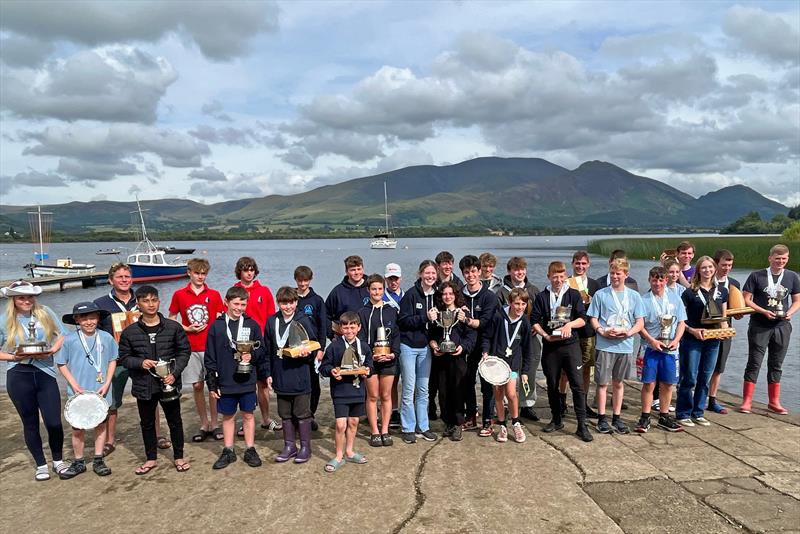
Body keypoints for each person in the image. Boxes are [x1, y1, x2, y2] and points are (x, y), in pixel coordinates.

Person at [0, 280, 69, 481]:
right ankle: (41, 464)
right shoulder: (4, 320)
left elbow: (63, 335)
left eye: (30, 296)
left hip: (45, 372)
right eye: (21, 297)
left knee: (54, 421)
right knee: (30, 423)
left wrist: (53, 350)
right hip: (18, 374)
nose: (27, 300)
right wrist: (14, 356)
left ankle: (58, 461)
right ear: (13, 299)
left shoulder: (45, 312)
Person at [119, 285, 191, 474]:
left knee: (175, 420)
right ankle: (151, 458)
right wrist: (139, 363)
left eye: (154, 300)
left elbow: (184, 351)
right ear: (138, 304)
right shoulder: (129, 332)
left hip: (169, 382)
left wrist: (174, 374)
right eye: (145, 301)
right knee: (147, 422)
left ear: (159, 302)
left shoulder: (173, 327)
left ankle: (179, 456)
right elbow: (124, 358)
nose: (150, 305)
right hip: (144, 384)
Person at [94, 262, 159, 455]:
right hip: (116, 359)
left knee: (151, 396)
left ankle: (157, 435)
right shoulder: (101, 303)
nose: (124, 280)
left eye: (127, 276)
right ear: (110, 280)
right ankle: (109, 440)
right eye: (120, 277)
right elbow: (95, 332)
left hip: (142, 357)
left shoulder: (141, 299)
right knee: (111, 401)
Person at [205, 286, 268, 469]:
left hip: (247, 378)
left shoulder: (252, 324)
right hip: (225, 380)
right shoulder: (216, 326)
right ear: (226, 302)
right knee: (228, 416)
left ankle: (250, 448)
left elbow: (262, 350)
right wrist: (212, 384)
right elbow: (210, 357)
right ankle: (228, 450)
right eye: (236, 304)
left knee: (248, 415)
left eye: (243, 304)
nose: (240, 308)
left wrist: (252, 356)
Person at [531, 263, 593, 442]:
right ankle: (556, 419)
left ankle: (582, 425)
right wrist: (545, 335)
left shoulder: (573, 294)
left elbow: (583, 319)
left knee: (577, 384)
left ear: (565, 276)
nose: (558, 280)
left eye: (561, 276)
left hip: (570, 345)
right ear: (548, 276)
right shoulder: (542, 297)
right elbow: (535, 320)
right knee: (551, 384)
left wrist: (569, 325)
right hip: (551, 346)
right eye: (554, 276)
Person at [56, 302, 118, 478]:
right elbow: (61, 364)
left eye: (92, 317)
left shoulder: (106, 337)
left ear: (98, 318)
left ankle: (98, 459)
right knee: (78, 428)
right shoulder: (69, 339)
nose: (89, 322)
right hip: (78, 392)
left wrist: (107, 382)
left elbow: (113, 360)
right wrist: (74, 385)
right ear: (77, 320)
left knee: (100, 425)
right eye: (84, 318)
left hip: (102, 390)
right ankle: (79, 461)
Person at [168, 258, 226, 442]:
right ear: (189, 273)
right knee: (197, 385)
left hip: (211, 347)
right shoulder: (179, 294)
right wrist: (186, 328)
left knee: (213, 387)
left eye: (203, 273)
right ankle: (204, 423)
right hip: (190, 347)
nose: (200, 277)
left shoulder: (214, 294)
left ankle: (215, 423)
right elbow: (171, 318)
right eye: (197, 273)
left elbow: (220, 318)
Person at [587, 258, 646, 434]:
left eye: (618, 273)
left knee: (619, 383)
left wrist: (629, 333)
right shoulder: (601, 294)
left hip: (625, 345)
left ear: (625, 275)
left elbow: (640, 321)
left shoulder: (634, 296)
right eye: (612, 273)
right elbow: (593, 318)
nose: (614, 277)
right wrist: (601, 331)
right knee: (602, 383)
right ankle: (602, 418)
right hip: (605, 345)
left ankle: (617, 418)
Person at [740, 244, 800, 415]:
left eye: (784, 259)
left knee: (776, 364)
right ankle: (747, 401)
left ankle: (774, 401)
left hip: (782, 326)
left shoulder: (792, 277)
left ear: (787, 259)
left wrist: (790, 313)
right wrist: (763, 311)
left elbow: (797, 300)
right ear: (770, 258)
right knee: (754, 362)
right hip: (759, 325)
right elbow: (746, 300)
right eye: (777, 258)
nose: (780, 261)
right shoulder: (756, 276)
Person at [264, 287, 319, 463]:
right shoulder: (272, 321)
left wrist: (308, 354)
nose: (287, 306)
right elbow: (267, 351)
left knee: (302, 413)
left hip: (300, 374)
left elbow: (313, 344)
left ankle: (305, 447)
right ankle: (289, 446)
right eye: (283, 303)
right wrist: (268, 373)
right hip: (280, 374)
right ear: (278, 303)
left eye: (291, 302)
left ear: (296, 303)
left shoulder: (303, 320)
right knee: (284, 413)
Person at [676, 256, 728, 427]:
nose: (707, 270)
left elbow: (723, 317)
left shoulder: (722, 291)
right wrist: (692, 331)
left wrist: (724, 332)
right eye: (704, 268)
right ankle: (683, 413)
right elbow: (681, 319)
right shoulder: (689, 292)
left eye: (710, 267)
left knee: (705, 378)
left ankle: (698, 412)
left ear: (714, 269)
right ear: (698, 270)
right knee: (689, 377)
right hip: (693, 339)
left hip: (713, 341)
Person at [319, 312, 374, 473]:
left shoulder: (363, 346)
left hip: (358, 390)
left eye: (352, 327)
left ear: (358, 327)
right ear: (340, 328)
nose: (349, 330)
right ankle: (338, 456)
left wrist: (368, 371)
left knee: (354, 422)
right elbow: (324, 367)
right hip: (341, 391)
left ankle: (349, 451)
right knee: (340, 425)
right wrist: (332, 371)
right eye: (346, 327)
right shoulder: (334, 346)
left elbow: (370, 364)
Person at [635, 266, 686, 433]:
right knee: (649, 383)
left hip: (670, 348)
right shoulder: (643, 300)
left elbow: (681, 323)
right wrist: (651, 340)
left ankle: (664, 416)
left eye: (661, 280)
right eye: (654, 280)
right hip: (650, 347)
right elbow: (640, 325)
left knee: (668, 383)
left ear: (666, 280)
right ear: (649, 280)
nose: (657, 283)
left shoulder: (675, 299)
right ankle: (645, 416)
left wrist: (677, 340)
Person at [234, 257, 280, 435]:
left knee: (263, 384)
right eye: (245, 270)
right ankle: (246, 420)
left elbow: (271, 319)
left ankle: (266, 419)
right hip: (241, 345)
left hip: (261, 345)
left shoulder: (264, 290)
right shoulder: (234, 291)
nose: (249, 272)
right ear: (240, 271)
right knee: (244, 385)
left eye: (252, 269)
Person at [459, 254, 503, 436]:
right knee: (466, 382)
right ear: (463, 274)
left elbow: (484, 323)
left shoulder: (489, 297)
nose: (470, 275)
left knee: (487, 384)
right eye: (466, 272)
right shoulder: (459, 294)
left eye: (473, 271)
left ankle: (487, 420)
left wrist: (466, 319)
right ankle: (471, 416)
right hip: (466, 346)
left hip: (487, 345)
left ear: (479, 272)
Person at [483, 288, 533, 443]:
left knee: (511, 393)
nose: (520, 307)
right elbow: (487, 336)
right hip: (496, 365)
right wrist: (485, 351)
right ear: (510, 303)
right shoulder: (498, 316)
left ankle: (516, 422)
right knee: (498, 393)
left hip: (513, 366)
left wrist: (525, 371)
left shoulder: (524, 321)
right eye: (517, 303)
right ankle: (502, 425)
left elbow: (527, 348)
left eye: (523, 304)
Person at [427, 281, 475, 441]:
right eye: (444, 294)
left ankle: (458, 424)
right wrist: (434, 346)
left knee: (458, 391)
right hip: (440, 359)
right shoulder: (437, 314)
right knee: (443, 392)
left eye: (450, 293)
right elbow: (432, 335)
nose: (447, 297)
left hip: (458, 358)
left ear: (455, 295)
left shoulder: (463, 313)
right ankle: (447, 422)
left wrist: (463, 347)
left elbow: (471, 336)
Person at [397, 260, 439, 444]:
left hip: (426, 348)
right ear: (420, 274)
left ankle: (423, 427)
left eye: (433, 274)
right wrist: (425, 318)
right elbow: (403, 321)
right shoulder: (411, 295)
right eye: (427, 273)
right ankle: (408, 427)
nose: (430, 276)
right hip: (408, 346)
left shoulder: (437, 295)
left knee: (424, 390)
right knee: (408, 388)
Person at [496, 256, 541, 423]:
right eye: (516, 269)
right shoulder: (501, 292)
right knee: (507, 374)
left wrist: (537, 326)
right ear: (509, 271)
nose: (519, 272)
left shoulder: (534, 290)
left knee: (528, 371)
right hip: (508, 342)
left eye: (522, 269)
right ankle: (507, 407)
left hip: (530, 338)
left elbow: (540, 313)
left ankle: (527, 405)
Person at [358, 274, 400, 447]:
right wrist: (370, 356)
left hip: (389, 360)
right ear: (368, 291)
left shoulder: (391, 310)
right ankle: (375, 431)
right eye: (373, 289)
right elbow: (360, 339)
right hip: (371, 360)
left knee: (386, 395)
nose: (377, 292)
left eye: (380, 289)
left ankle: (385, 430)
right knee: (373, 395)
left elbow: (396, 335)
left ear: (384, 290)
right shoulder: (362, 312)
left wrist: (394, 354)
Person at [707, 249, 741, 415]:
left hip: (725, 330)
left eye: (730, 265)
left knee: (719, 367)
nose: (727, 268)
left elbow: (737, 311)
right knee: (701, 366)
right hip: (706, 330)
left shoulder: (734, 284)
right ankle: (694, 397)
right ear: (716, 264)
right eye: (724, 264)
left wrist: (741, 312)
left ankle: (712, 399)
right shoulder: (706, 280)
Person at [568, 250, 600, 419]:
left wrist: (592, 300)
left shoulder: (595, 285)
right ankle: (562, 402)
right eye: (577, 263)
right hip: (570, 332)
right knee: (565, 370)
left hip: (588, 332)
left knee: (586, 369)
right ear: (572, 264)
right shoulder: (565, 282)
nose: (580, 266)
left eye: (583, 263)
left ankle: (584, 403)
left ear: (588, 265)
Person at [295, 265, 327, 430]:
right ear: (296, 280)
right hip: (294, 348)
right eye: (300, 280)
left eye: (305, 280)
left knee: (313, 384)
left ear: (310, 280)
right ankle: (297, 416)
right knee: (296, 382)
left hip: (313, 348)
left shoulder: (317, 300)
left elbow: (323, 326)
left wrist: (321, 349)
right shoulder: (291, 298)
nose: (302, 284)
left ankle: (310, 415)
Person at [326, 255, 370, 339]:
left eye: (359, 269)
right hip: (345, 338)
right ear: (346, 271)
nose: (357, 272)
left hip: (368, 339)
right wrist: (332, 336)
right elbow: (325, 316)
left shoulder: (372, 288)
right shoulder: (337, 291)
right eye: (353, 270)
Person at [382, 263, 404, 429]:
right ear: (385, 279)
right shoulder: (381, 297)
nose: (393, 282)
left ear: (400, 279)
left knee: (408, 381)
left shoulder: (407, 295)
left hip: (406, 341)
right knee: (392, 380)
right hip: (388, 344)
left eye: (395, 278)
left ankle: (401, 410)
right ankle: (393, 411)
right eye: (390, 279)